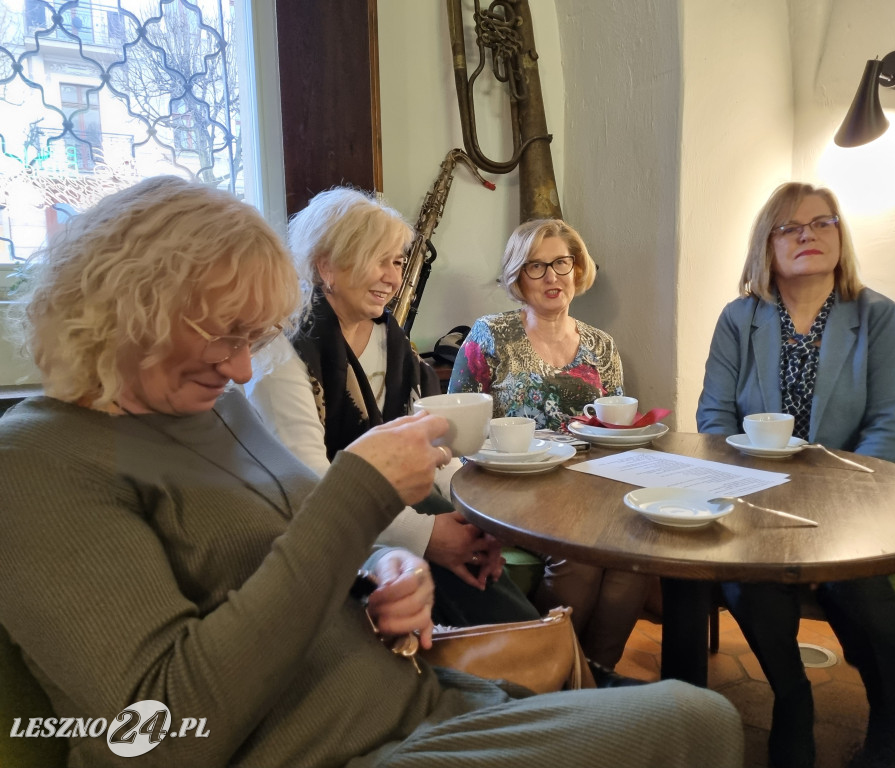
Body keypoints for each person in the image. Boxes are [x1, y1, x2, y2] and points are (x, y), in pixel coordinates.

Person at [0, 176, 745, 768]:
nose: (237, 367)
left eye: (253, 337)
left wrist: (385, 565)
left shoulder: (211, 406)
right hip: (329, 748)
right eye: (226, 335)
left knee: (697, 717)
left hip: (416, 698)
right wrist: (359, 492)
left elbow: (299, 541)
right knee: (688, 724)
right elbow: (158, 735)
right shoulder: (38, 462)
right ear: (124, 311)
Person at [246, 186, 538, 628]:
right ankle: (536, 654)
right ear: (326, 265)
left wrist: (475, 522)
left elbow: (435, 449)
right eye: (377, 260)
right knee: (481, 602)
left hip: (393, 514)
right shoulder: (285, 356)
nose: (392, 277)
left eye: (398, 262)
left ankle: (530, 650)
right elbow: (313, 487)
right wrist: (427, 536)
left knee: (478, 575)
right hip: (323, 533)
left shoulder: (393, 341)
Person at [696, 182, 895, 768]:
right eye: (789, 227)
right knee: (749, 582)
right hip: (756, 495)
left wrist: (839, 501)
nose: (808, 235)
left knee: (863, 591)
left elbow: (886, 424)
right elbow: (714, 416)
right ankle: (792, 700)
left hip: (851, 499)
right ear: (766, 246)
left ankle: (893, 716)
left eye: (822, 223)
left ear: (840, 236)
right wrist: (745, 485)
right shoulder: (740, 318)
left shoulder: (876, 315)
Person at [448, 219, 652, 686]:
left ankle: (594, 677)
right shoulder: (490, 335)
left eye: (561, 263)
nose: (551, 277)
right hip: (511, 489)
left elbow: (612, 430)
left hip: (591, 489)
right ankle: (545, 678)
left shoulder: (602, 345)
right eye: (535, 267)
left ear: (577, 269)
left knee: (634, 555)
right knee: (578, 555)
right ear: (517, 278)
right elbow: (457, 437)